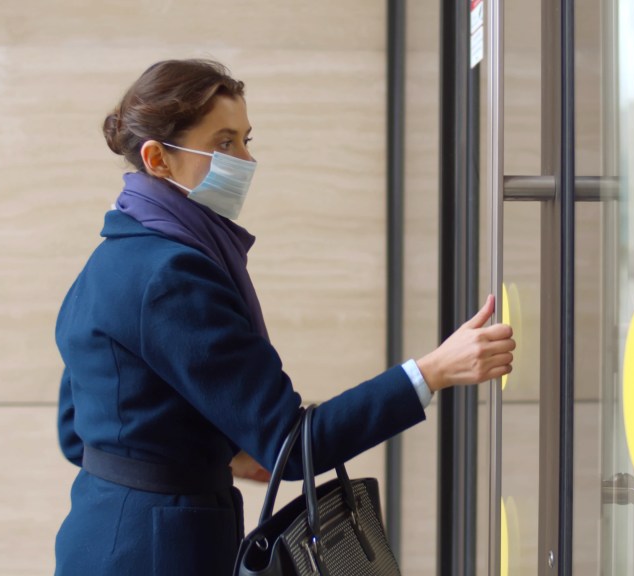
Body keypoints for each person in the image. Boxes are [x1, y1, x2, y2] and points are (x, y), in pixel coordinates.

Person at [53, 58, 515, 575]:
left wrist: (213, 453)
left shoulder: (112, 256)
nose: (246, 159)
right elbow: (292, 447)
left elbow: (77, 433)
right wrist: (432, 372)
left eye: (246, 139)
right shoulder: (173, 275)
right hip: (158, 554)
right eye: (224, 143)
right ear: (158, 158)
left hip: (99, 537)